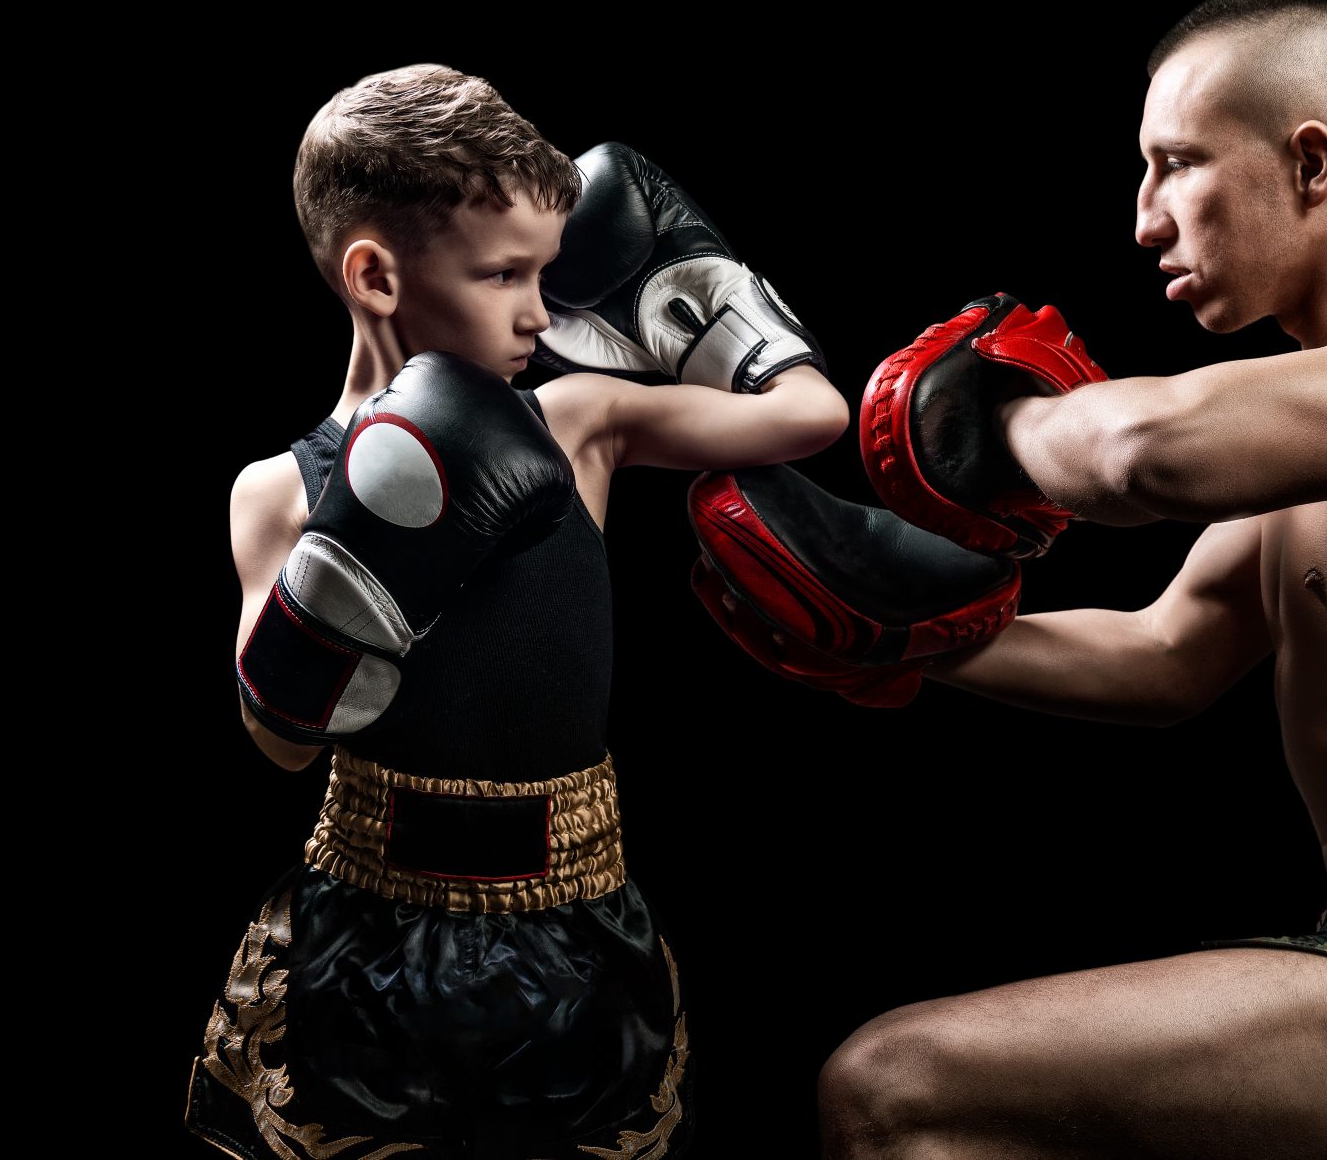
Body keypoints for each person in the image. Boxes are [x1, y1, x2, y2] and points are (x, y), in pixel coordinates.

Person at [690, 0, 1327, 1158]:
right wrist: (899, 631)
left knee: (894, 1088)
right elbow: (1163, 654)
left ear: (1310, 163)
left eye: (1178, 163)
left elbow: (1148, 452)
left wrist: (992, 429)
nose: (1145, 218)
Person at [191, 63, 847, 1160]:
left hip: (578, 918)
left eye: (546, 271)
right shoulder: (280, 490)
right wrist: (357, 552)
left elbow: (812, 416)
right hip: (359, 933)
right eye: (505, 275)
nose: (542, 311)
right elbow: (279, 743)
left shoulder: (577, 419)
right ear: (376, 275)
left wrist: (706, 294)